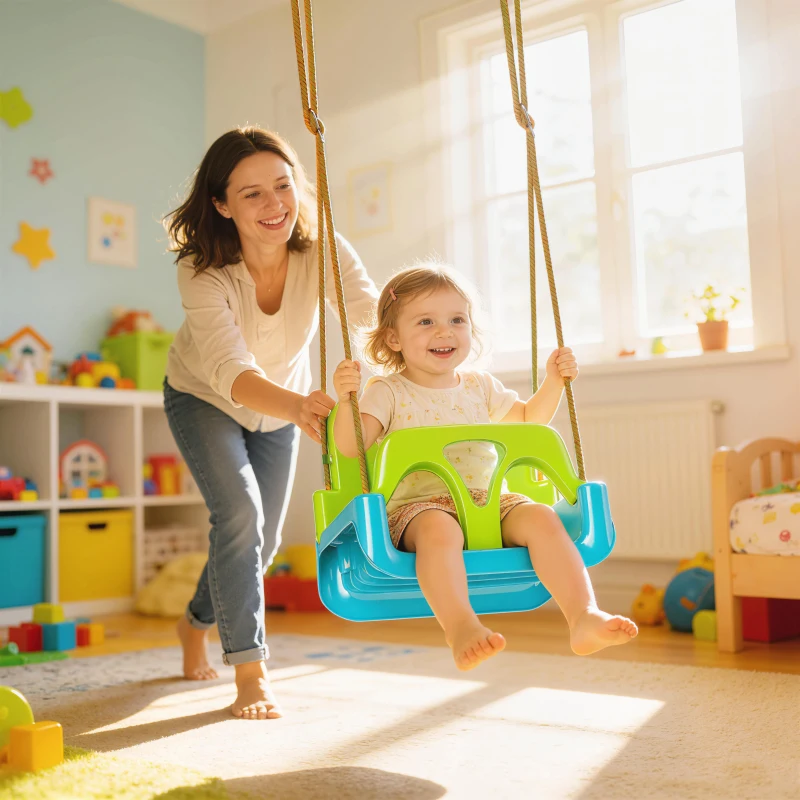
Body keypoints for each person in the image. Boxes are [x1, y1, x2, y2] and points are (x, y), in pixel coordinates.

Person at [162, 126, 378, 718]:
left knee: (262, 544)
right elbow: (229, 369)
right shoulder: (202, 269)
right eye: (251, 193)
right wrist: (300, 406)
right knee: (239, 514)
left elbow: (368, 314)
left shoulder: (321, 247)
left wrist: (421, 359)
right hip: (206, 396)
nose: (273, 204)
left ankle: (194, 623)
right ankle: (251, 673)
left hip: (282, 407)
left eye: (282, 186)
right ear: (221, 204)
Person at [333, 264, 637, 671]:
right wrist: (346, 400)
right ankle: (460, 626)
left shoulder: (480, 386)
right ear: (393, 337)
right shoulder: (388, 391)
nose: (445, 332)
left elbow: (529, 420)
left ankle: (583, 616)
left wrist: (553, 383)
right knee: (441, 531)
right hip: (419, 508)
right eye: (426, 321)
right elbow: (351, 446)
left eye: (457, 320)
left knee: (544, 519)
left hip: (489, 499)